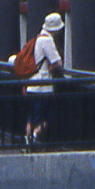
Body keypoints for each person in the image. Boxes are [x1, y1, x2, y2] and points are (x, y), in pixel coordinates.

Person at [25, 12, 65, 146]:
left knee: (31, 117)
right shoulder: (47, 41)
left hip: (32, 84)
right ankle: (34, 138)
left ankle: (28, 139)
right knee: (46, 118)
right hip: (43, 87)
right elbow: (58, 62)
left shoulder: (37, 38)